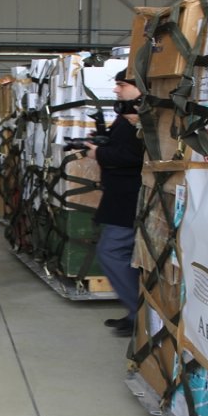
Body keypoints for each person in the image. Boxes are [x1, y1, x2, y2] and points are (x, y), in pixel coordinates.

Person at [84, 71, 146, 337]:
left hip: (130, 197)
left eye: (121, 85)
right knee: (120, 253)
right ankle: (135, 313)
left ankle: (140, 315)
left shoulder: (146, 116)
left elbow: (134, 155)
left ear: (139, 86)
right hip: (120, 195)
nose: (116, 90)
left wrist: (99, 153)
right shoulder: (128, 114)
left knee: (112, 251)